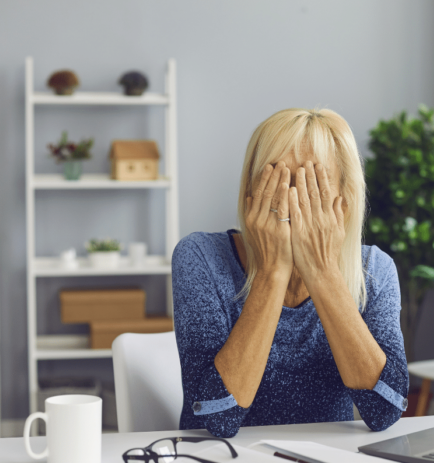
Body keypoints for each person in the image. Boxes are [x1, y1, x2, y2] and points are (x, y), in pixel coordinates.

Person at [171, 108, 409, 438]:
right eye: (276, 180)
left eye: (311, 186)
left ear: (343, 202)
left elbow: (385, 410)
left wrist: (323, 271)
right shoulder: (199, 257)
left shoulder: (374, 270)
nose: (290, 202)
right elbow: (219, 417)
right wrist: (272, 272)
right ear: (250, 192)